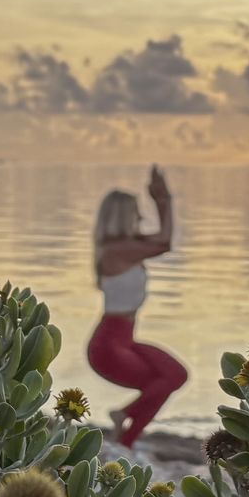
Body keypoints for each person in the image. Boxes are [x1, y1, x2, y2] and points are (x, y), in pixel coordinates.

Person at [87, 165, 187, 449]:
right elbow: (165, 242)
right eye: (136, 213)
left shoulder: (126, 246)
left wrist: (163, 200)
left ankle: (125, 423)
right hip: (109, 347)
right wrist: (163, 200)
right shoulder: (116, 251)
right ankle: (126, 436)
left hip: (124, 339)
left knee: (176, 375)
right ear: (122, 217)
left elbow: (161, 241)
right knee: (167, 379)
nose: (142, 218)